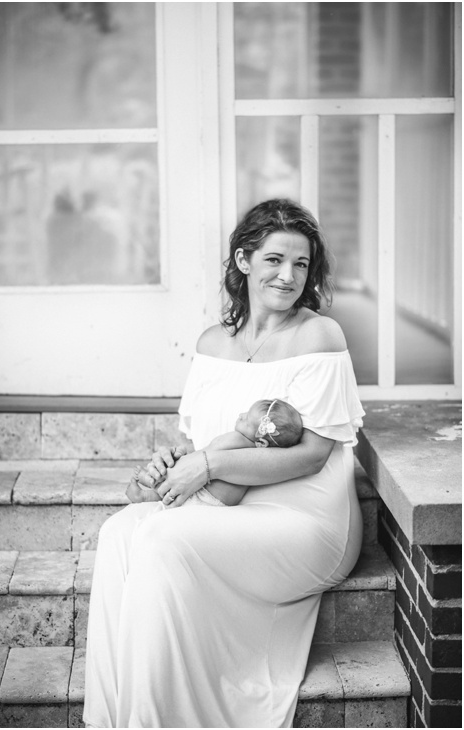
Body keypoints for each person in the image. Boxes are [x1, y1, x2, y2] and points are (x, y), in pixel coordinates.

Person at [83, 199, 364, 728]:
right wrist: (172, 461)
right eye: (274, 260)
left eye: (301, 264)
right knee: (120, 532)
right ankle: (114, 718)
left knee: (164, 539)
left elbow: (312, 455)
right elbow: (199, 442)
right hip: (223, 507)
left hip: (305, 520)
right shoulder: (213, 343)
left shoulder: (319, 336)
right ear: (243, 260)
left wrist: (207, 465)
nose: (288, 276)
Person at [128, 398, 305, 507]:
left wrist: (185, 457)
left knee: (177, 491)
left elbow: (206, 455)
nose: (241, 415)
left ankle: (151, 486)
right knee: (180, 498)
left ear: (262, 442)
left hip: (209, 496)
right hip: (216, 500)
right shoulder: (252, 454)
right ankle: (146, 494)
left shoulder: (238, 440)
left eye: (246, 419)